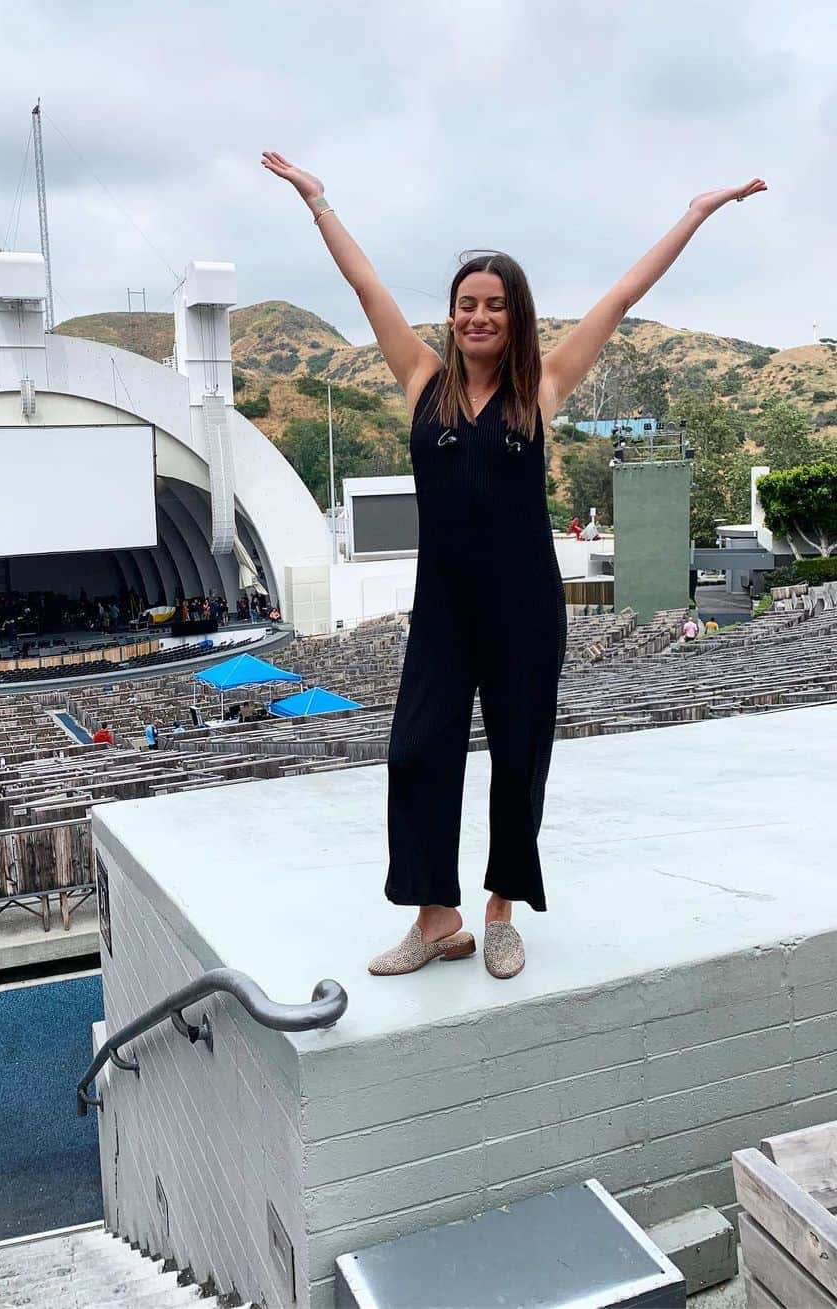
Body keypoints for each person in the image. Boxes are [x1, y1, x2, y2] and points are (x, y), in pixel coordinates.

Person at [263, 148, 766, 981]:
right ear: (451, 315)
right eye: (466, 304)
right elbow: (366, 290)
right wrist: (319, 202)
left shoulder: (543, 389)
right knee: (417, 747)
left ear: (515, 315)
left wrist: (696, 211)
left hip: (525, 605)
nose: (478, 317)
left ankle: (499, 912)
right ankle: (437, 919)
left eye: (495, 305)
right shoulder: (421, 380)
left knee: (518, 753)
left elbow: (622, 298)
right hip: (445, 605)